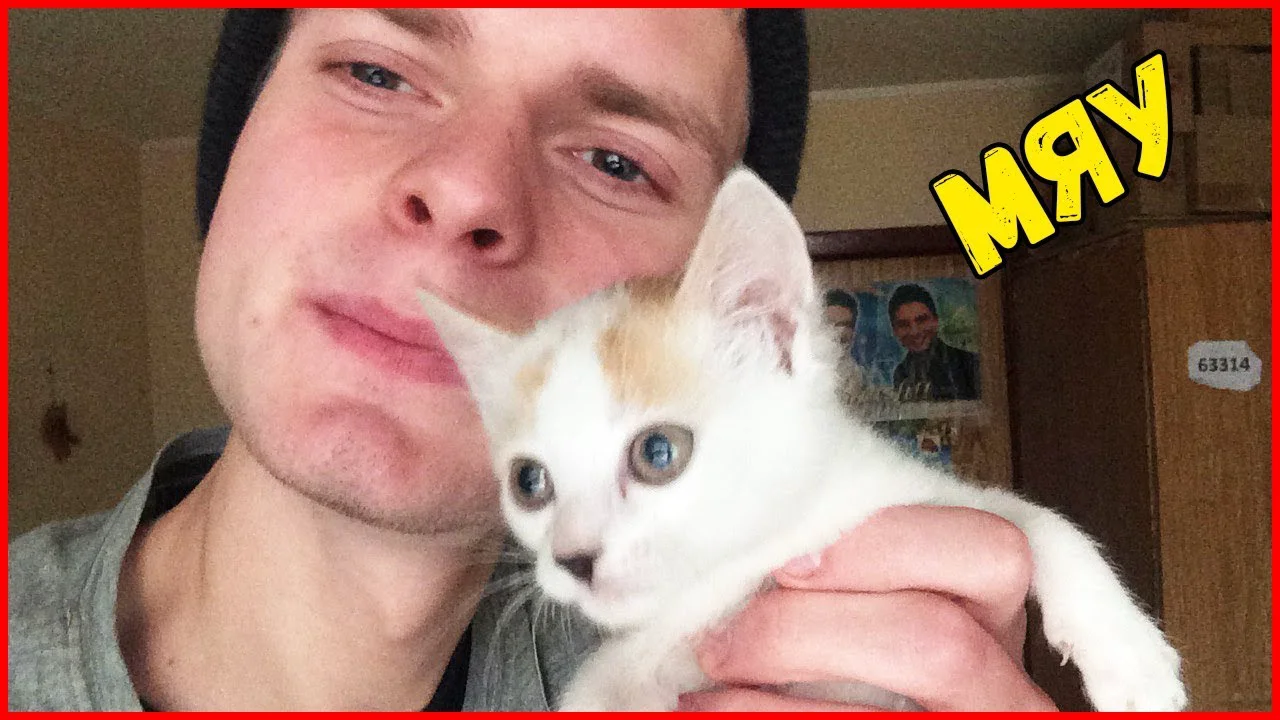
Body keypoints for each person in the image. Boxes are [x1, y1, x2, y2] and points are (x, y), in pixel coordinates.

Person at [8, 9, 1053, 711]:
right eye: (376, 72)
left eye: (615, 162)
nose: (467, 191)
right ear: (235, 140)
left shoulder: (744, 659)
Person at [888, 283, 980, 403]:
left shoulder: (969, 363)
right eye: (904, 324)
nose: (914, 332)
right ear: (895, 330)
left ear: (936, 321)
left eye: (921, 320)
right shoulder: (901, 373)